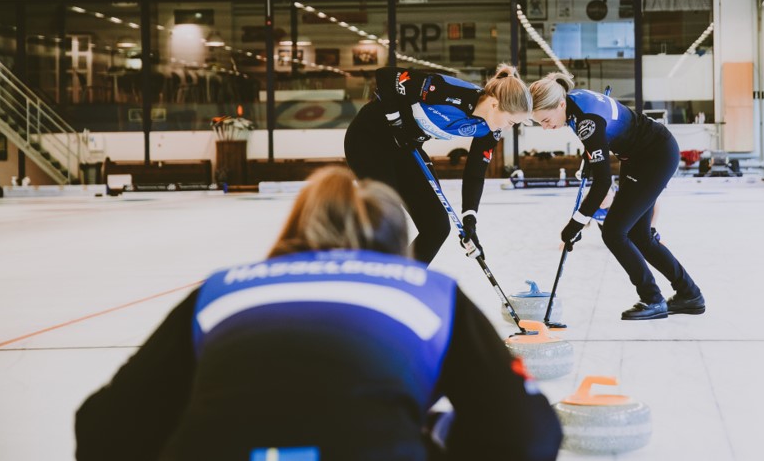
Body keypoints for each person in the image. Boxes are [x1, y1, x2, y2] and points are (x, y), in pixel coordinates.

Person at [75, 167, 563, 461]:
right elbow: (529, 433)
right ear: (398, 248)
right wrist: (435, 433)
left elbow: (103, 427)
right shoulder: (426, 290)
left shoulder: (223, 290)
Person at [529, 73, 705, 320]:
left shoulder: (585, 119)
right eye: (540, 123)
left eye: (546, 120)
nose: (545, 128)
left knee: (613, 231)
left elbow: (602, 183)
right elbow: (600, 138)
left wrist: (575, 224)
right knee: (639, 235)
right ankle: (689, 294)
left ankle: (652, 299)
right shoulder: (573, 102)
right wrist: (591, 153)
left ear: (559, 104)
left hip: (654, 155)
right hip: (636, 157)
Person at [345, 64, 531, 264]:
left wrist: (470, 221)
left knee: (437, 227)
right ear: (495, 105)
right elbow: (386, 76)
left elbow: (475, 173)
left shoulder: (488, 129)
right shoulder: (445, 90)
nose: (507, 128)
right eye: (511, 122)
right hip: (368, 138)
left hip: (406, 149)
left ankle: (403, 279)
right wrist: (396, 122)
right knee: (385, 216)